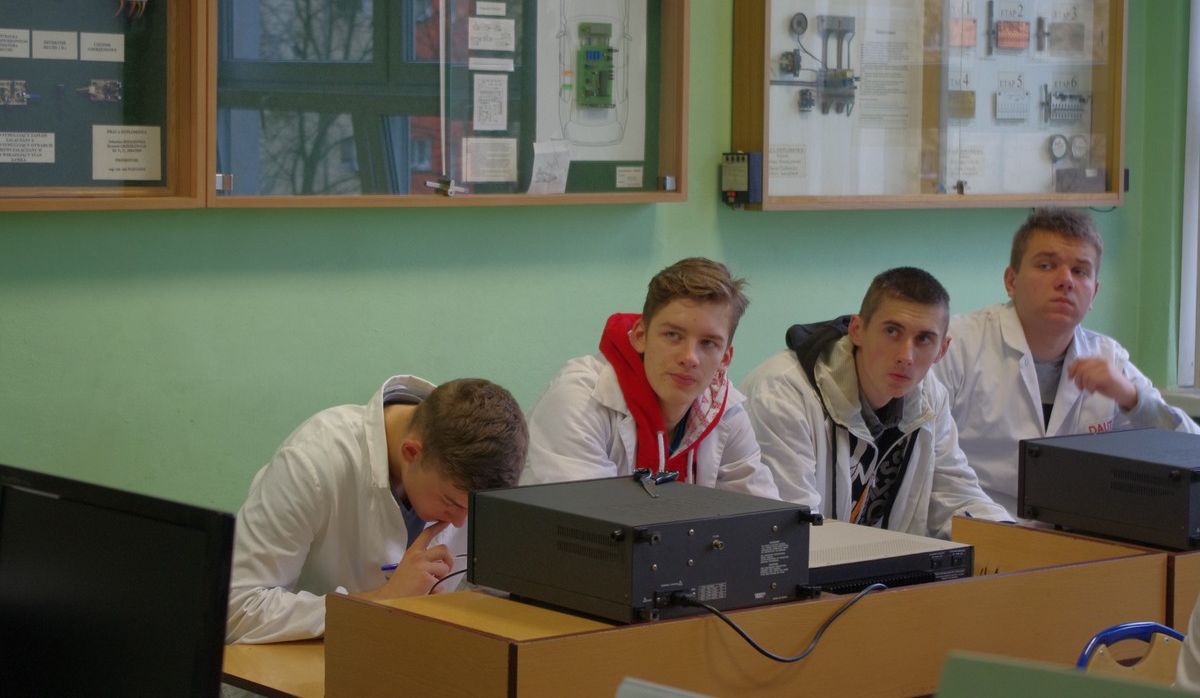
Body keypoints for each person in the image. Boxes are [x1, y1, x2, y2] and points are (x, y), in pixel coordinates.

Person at [932, 208, 1199, 516]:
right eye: (1046, 265)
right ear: (1011, 281)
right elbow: (934, 470)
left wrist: (1132, 399)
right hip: (971, 528)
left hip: (1076, 534)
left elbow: (1191, 451)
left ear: (1094, 292)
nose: (1065, 281)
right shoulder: (956, 345)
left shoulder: (1108, 358)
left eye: (1080, 271)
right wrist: (1002, 534)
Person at [224, 375, 528, 644]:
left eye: (472, 510)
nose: (461, 523)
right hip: (293, 671)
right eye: (450, 502)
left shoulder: (473, 466)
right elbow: (236, 609)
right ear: (411, 452)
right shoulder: (314, 460)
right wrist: (383, 600)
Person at [740, 267, 1010, 538]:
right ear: (857, 330)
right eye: (892, 331)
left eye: (924, 339)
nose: (906, 356)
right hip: (808, 560)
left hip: (883, 562)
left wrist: (1013, 540)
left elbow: (958, 496)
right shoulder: (781, 394)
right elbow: (792, 529)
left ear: (942, 349)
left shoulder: (930, 396)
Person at [522, 257, 778, 497]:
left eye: (708, 343)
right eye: (673, 335)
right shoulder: (579, 399)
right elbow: (587, 521)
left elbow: (766, 518)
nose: (689, 357)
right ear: (640, 336)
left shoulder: (725, 412)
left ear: (725, 358)